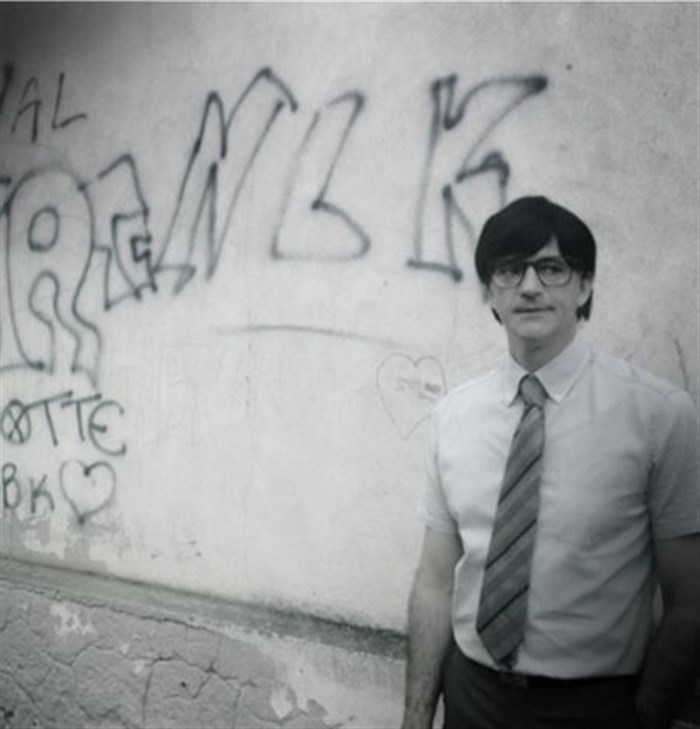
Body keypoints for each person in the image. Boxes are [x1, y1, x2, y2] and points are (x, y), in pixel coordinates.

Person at [400, 196, 700, 729]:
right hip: (472, 696)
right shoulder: (453, 416)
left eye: (552, 268)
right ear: (489, 291)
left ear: (584, 286)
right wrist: (416, 715)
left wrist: (649, 715)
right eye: (510, 269)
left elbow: (690, 596)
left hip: (596, 706)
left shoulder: (659, 416)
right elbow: (434, 582)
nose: (530, 286)